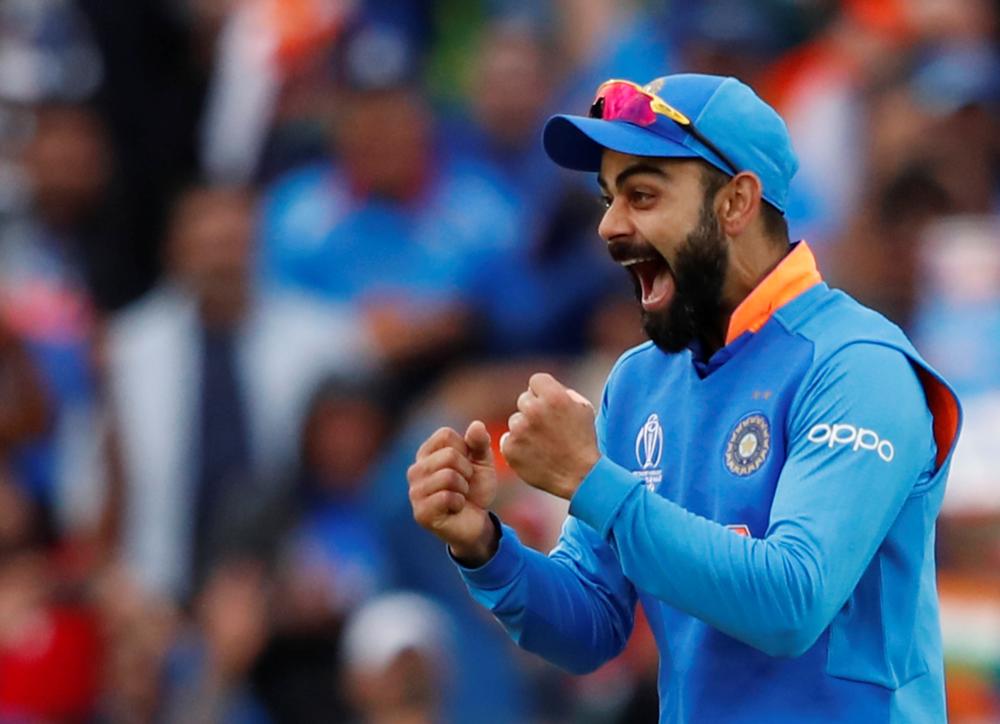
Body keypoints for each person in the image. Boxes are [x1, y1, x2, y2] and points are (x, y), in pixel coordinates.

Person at [407, 73, 963, 722]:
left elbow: (791, 603)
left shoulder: (857, 365)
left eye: (642, 195)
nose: (610, 226)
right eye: (609, 197)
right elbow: (593, 626)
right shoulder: (641, 380)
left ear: (736, 203)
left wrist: (590, 480)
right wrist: (486, 546)